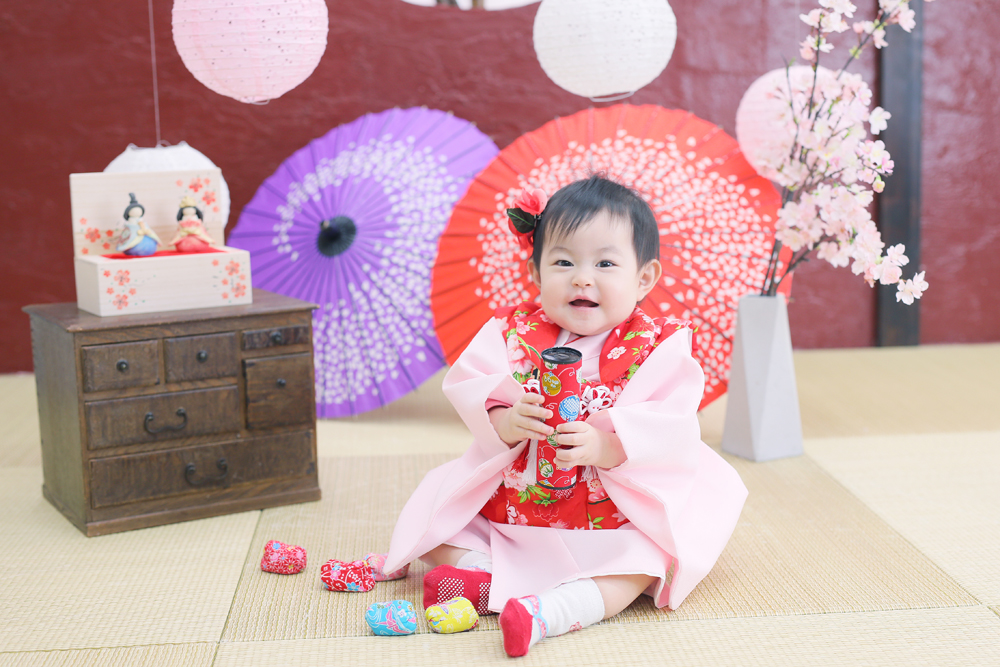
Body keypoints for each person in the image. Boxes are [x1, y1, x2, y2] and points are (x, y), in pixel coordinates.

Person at [379, 175, 747, 657]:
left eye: (605, 263)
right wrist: (506, 420)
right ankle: (485, 573)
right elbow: (475, 388)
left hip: (611, 516)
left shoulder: (656, 347)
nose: (582, 278)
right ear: (535, 272)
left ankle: (548, 612)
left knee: (648, 561)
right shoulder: (513, 333)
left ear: (644, 278)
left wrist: (607, 445)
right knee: (433, 522)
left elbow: (671, 423)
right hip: (519, 505)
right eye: (564, 262)